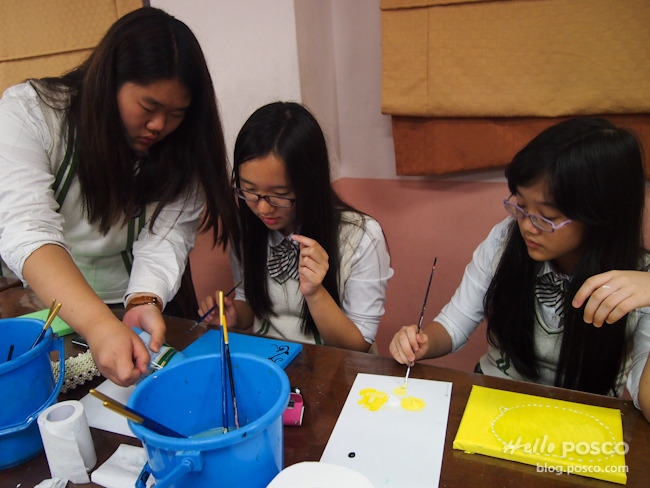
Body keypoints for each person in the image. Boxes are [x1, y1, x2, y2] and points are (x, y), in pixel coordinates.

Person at [0, 7, 238, 386]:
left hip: (144, 300)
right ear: (107, 82)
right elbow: (27, 230)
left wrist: (144, 299)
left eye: (176, 113)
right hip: (57, 303)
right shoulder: (31, 113)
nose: (160, 125)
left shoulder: (183, 146)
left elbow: (166, 239)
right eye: (148, 107)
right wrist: (97, 324)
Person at [389, 118, 650, 420]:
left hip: (582, 422)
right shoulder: (506, 238)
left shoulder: (639, 283)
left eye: (546, 216)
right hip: (495, 402)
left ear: (602, 216)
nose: (526, 225)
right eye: (520, 206)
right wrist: (421, 342)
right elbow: (455, 322)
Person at [199, 102, 393, 351]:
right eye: (249, 190)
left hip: (335, 369)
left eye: (279, 194)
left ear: (310, 184)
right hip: (268, 362)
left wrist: (315, 293)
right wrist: (233, 314)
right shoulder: (247, 226)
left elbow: (358, 345)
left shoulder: (361, 236)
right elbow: (252, 305)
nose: (263, 209)